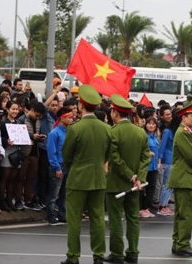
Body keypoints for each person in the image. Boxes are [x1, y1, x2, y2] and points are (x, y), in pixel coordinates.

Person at [61, 84, 112, 264]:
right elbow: (108, 154)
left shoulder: (75, 128)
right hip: (98, 178)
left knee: (74, 219)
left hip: (77, 179)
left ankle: (73, 256)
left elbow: (66, 155)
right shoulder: (106, 128)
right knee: (97, 218)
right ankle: (98, 255)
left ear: (81, 105)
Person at [104, 94, 151, 264]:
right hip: (136, 185)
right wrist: (139, 177)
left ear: (115, 113)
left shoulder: (113, 132)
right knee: (133, 218)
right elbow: (146, 157)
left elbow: (114, 158)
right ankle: (133, 252)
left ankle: (117, 253)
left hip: (116, 183)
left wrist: (130, 175)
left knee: (116, 219)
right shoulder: (140, 132)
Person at [168, 102, 192, 257]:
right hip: (185, 177)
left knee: (181, 213)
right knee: (186, 214)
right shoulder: (183, 133)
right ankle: (183, 244)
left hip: (183, 177)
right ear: (184, 117)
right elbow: (191, 156)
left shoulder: (185, 132)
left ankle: (178, 243)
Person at [46, 107, 73, 225]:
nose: (72, 119)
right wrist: (57, 167)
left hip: (66, 164)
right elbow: (51, 152)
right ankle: (51, 216)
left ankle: (63, 215)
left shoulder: (68, 132)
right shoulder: (54, 133)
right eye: (70, 117)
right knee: (54, 194)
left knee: (64, 193)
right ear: (62, 118)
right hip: (58, 165)